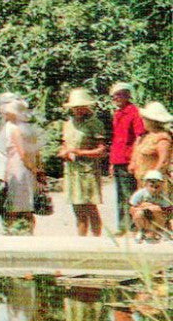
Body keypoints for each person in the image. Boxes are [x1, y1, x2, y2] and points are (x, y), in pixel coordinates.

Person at [58, 89, 107, 237]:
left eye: (81, 107)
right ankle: (82, 240)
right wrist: (64, 152)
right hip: (72, 170)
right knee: (77, 208)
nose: (78, 110)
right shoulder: (68, 124)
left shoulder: (95, 123)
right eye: (75, 107)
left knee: (90, 207)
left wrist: (79, 152)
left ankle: (96, 239)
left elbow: (101, 150)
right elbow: (65, 144)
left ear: (86, 106)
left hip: (88, 170)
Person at [108, 82, 145, 233]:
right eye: (114, 95)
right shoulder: (117, 114)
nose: (116, 98)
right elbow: (116, 139)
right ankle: (122, 226)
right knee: (120, 195)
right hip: (118, 158)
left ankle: (132, 227)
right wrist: (112, 163)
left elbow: (139, 137)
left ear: (127, 95)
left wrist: (134, 160)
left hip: (128, 159)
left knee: (130, 194)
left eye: (119, 95)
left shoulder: (134, 112)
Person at [2, 99, 41, 232]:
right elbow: (37, 151)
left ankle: (13, 232)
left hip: (19, 167)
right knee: (26, 204)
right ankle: (28, 232)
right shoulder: (30, 129)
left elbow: (22, 153)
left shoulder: (15, 129)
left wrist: (31, 167)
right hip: (28, 168)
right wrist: (37, 168)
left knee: (15, 205)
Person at [129, 102, 173, 188]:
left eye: (145, 119)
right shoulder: (147, 136)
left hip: (155, 185)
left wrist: (153, 178)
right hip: (143, 181)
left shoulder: (162, 138)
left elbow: (164, 161)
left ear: (152, 121)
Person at [129, 169, 173, 241]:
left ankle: (158, 231)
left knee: (156, 210)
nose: (154, 189)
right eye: (151, 186)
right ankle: (141, 230)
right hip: (144, 216)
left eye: (157, 186)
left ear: (161, 185)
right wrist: (144, 207)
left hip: (158, 217)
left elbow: (168, 210)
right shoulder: (140, 194)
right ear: (146, 184)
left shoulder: (163, 195)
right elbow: (131, 209)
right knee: (138, 214)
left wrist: (153, 208)